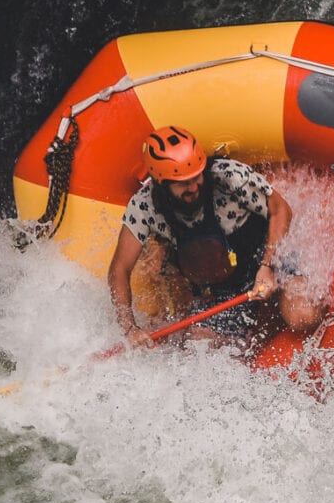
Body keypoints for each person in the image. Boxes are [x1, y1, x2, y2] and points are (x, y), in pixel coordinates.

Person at [107, 126, 317, 348]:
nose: (194, 187)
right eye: (183, 183)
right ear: (161, 183)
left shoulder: (229, 177)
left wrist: (267, 266)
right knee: (198, 345)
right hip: (219, 287)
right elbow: (119, 269)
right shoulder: (144, 206)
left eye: (196, 177)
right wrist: (129, 328)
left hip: (266, 255)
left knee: (303, 315)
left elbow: (281, 210)